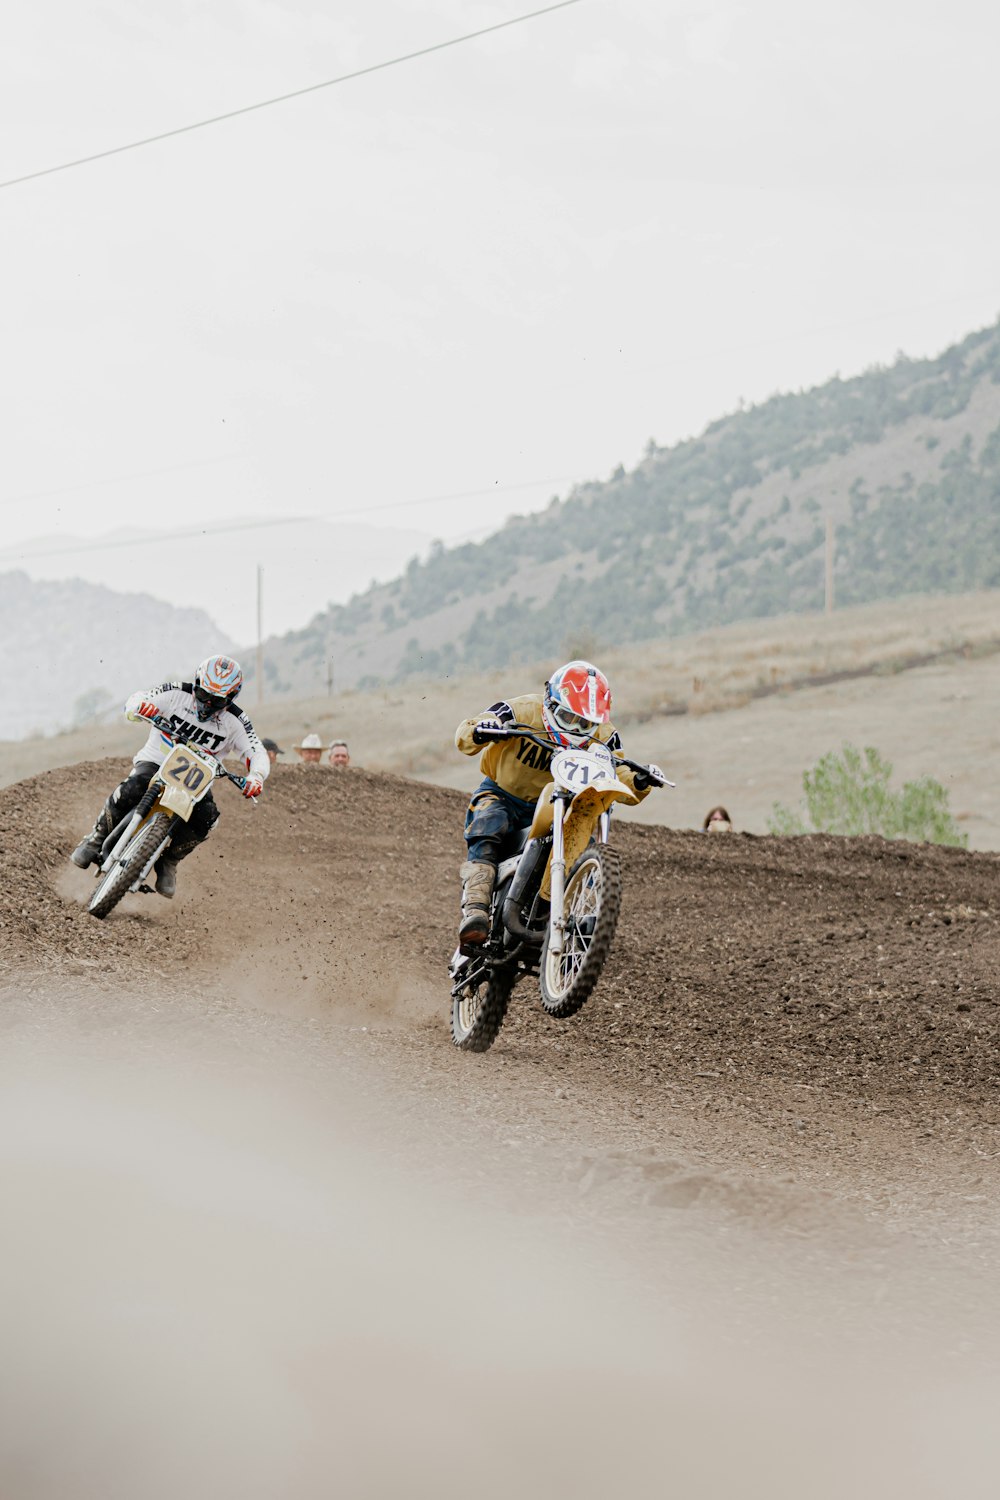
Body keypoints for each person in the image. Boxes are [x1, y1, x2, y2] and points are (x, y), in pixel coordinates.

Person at [453, 659, 666, 945]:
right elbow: (467, 732)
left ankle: (570, 912)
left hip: (561, 804)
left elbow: (619, 770)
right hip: (503, 794)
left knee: (582, 841)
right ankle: (476, 908)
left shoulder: (604, 735)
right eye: (570, 718)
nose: (577, 728)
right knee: (488, 823)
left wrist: (640, 782)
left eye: (586, 723)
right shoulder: (520, 709)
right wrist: (482, 730)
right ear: (550, 704)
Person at [69, 654, 268, 898]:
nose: (207, 703)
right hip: (156, 761)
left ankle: (169, 861)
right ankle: (95, 839)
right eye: (203, 694)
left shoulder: (236, 721)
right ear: (196, 684)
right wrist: (140, 708)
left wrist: (256, 776)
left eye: (216, 700)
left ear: (230, 698)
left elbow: (256, 751)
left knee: (207, 819)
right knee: (133, 787)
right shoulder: (175, 693)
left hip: (197, 779)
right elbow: (137, 699)